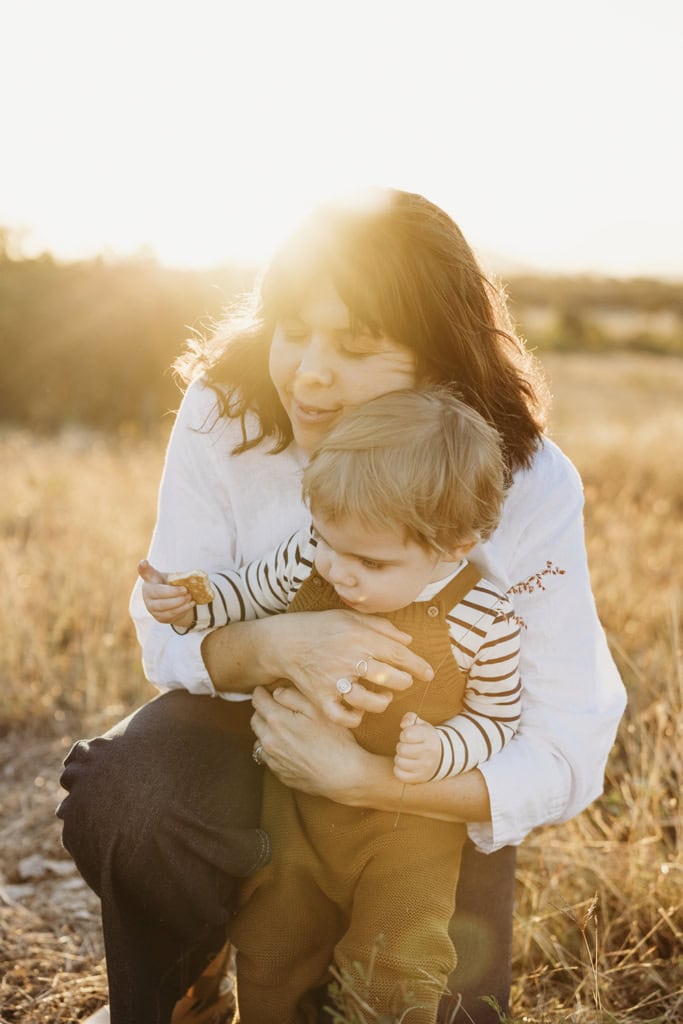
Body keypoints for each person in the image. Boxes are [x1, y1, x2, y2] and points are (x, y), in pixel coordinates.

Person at [57, 187, 626, 1024]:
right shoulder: (229, 414)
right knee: (133, 803)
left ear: (436, 359)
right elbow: (167, 642)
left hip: (421, 793)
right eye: (293, 329)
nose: (308, 373)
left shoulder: (525, 478)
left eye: (355, 346)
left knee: (426, 1002)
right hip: (253, 741)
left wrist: (368, 779)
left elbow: (564, 744)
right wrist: (286, 646)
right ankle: (193, 970)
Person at [140, 387, 522, 1021]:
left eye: (369, 562)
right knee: (273, 944)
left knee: (397, 963)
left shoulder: (484, 618)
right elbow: (244, 594)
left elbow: (498, 720)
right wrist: (193, 601)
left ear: (453, 545)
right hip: (295, 817)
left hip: (409, 837)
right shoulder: (308, 559)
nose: (337, 571)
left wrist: (445, 747)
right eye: (324, 540)